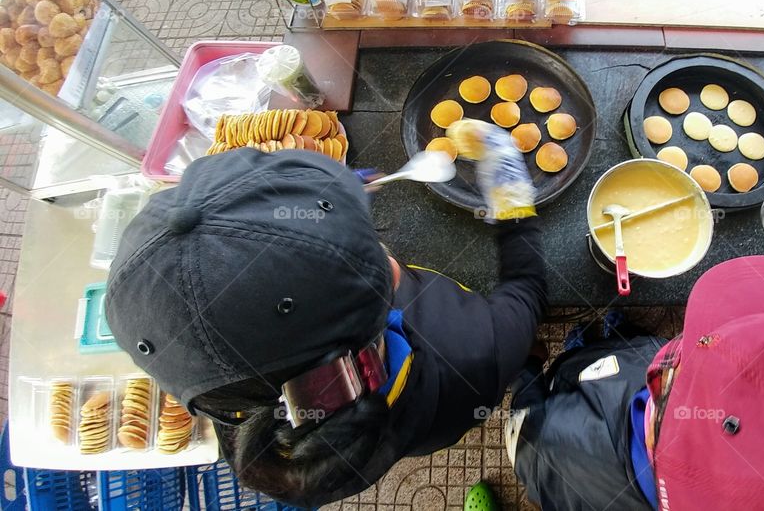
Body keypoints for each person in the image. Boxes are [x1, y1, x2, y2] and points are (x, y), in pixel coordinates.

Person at [105, 121, 547, 508]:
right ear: (387, 280)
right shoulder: (474, 345)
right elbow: (526, 293)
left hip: (410, 430)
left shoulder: (243, 401)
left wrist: (336, 197)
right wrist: (513, 204)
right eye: (372, 249)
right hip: (453, 404)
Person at [506, 256, 764, 510]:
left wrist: (526, 368)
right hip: (621, 376)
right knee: (619, 352)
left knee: (579, 374)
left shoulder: (553, 455)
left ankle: (577, 357)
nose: (701, 342)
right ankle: (596, 345)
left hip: (569, 422)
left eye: (695, 352)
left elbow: (525, 422)